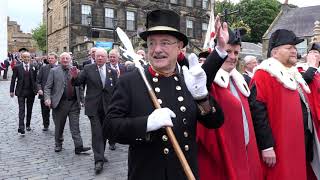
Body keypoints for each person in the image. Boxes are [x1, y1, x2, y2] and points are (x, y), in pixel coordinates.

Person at [105, 9, 224, 180]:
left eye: (165, 42)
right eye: (151, 43)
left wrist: (202, 97)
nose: (157, 49)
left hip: (185, 173)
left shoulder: (189, 80)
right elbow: (110, 127)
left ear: (180, 47)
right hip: (148, 174)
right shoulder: (130, 81)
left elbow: (216, 122)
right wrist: (146, 124)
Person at [197, 24, 263, 180]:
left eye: (236, 52)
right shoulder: (206, 79)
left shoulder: (240, 81)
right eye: (227, 51)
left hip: (245, 150)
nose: (232, 56)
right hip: (220, 152)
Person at [249, 29, 309, 179]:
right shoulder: (263, 74)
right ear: (275, 52)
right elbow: (257, 112)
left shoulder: (292, 74)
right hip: (278, 147)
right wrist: (267, 146)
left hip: (295, 144)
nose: (294, 51)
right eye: (289, 48)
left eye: (295, 48)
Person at [70, 48, 118, 174]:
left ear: (107, 58)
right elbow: (78, 82)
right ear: (94, 57)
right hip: (94, 107)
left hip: (108, 107)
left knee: (105, 132)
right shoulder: (88, 69)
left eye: (102, 56)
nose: (100, 58)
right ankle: (98, 161)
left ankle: (100, 153)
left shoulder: (112, 71)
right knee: (97, 132)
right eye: (98, 56)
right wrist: (74, 77)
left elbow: (117, 90)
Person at [44, 52, 91, 154]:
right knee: (59, 126)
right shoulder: (54, 71)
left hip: (74, 103)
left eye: (67, 58)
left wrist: (82, 100)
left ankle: (79, 147)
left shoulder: (75, 70)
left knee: (75, 127)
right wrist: (47, 98)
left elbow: (80, 86)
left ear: (71, 59)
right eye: (63, 58)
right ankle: (58, 144)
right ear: (60, 60)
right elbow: (47, 87)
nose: (65, 60)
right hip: (60, 104)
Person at [297, 42, 320, 179]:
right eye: (312, 53)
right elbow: (302, 83)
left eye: (316, 54)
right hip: (311, 121)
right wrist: (312, 67)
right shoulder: (300, 69)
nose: (314, 56)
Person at [10, 52, 38, 134]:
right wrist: (11, 90)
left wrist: (37, 89)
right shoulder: (17, 67)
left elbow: (36, 80)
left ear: (30, 58)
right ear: (21, 58)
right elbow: (13, 80)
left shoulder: (34, 67)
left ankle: (28, 125)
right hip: (21, 91)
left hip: (31, 92)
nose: (26, 58)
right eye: (24, 57)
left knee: (29, 109)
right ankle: (21, 127)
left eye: (28, 57)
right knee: (21, 109)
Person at [36, 52, 59, 131]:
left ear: (56, 59)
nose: (50, 59)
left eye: (52, 58)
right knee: (45, 111)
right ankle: (46, 125)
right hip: (44, 93)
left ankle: (58, 125)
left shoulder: (60, 68)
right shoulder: (43, 68)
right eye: (49, 58)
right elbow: (38, 81)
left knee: (57, 112)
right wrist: (39, 89)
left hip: (56, 94)